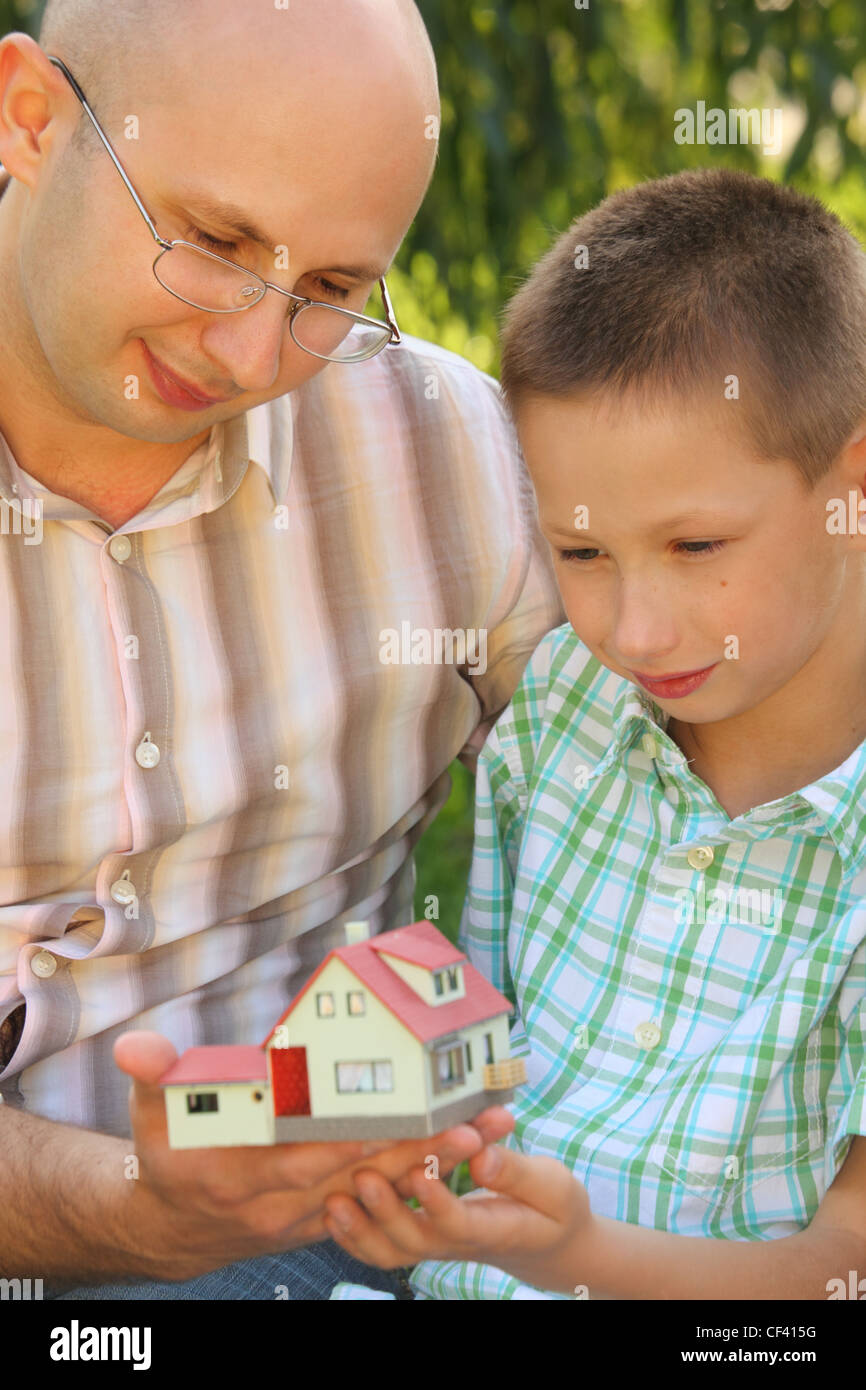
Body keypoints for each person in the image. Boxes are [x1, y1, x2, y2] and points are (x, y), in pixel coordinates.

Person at [0, 0, 564, 1298]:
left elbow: (687, 784)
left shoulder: (443, 456)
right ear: (31, 119)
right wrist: (133, 1216)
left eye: (327, 291)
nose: (254, 351)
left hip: (323, 1235)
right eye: (210, 241)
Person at [320, 169, 866, 1300]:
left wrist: (572, 1256)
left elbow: (838, 1272)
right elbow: (488, 1043)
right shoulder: (567, 700)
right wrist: (368, 1115)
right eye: (579, 553)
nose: (631, 625)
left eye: (695, 546)